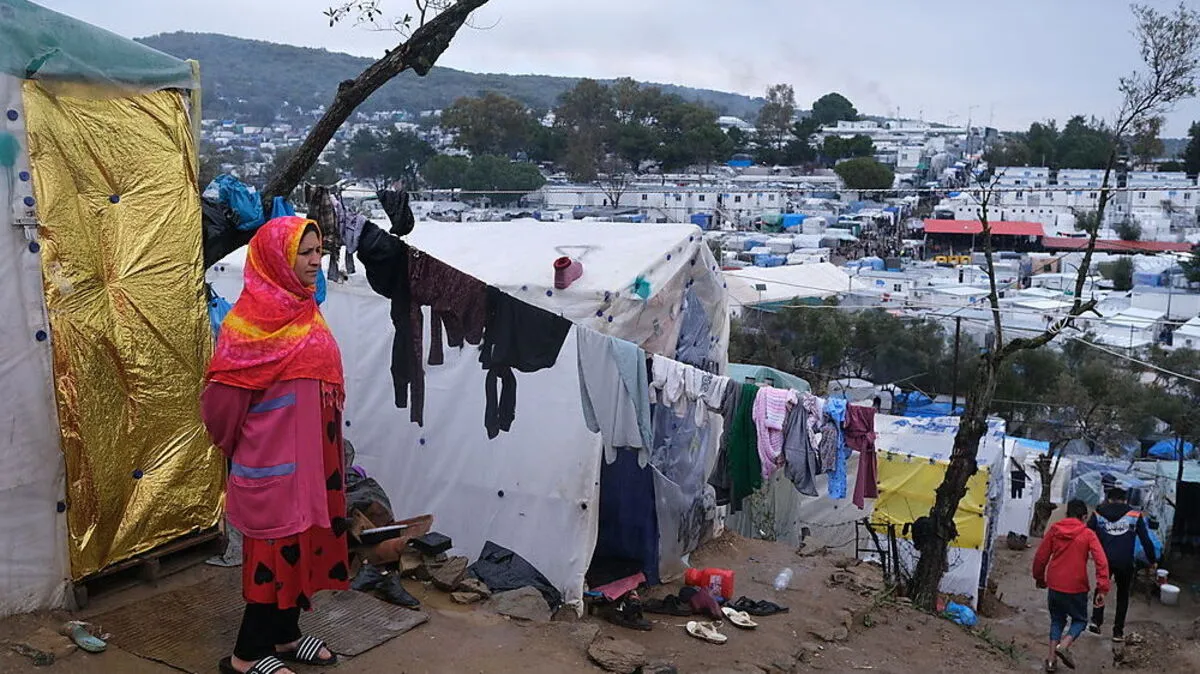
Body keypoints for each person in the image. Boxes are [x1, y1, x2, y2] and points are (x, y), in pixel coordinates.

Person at [202, 216, 349, 674]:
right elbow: (221, 408)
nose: (315, 260)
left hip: (313, 464)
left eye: (318, 250)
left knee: (302, 546)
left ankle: (286, 635)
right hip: (273, 463)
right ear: (276, 259)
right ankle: (245, 656)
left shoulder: (305, 310)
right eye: (304, 252)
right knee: (272, 554)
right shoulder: (246, 327)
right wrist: (250, 449)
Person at [1032, 499, 1110, 672]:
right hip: (1077, 586)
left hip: (1055, 584)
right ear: (1084, 517)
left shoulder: (1055, 530)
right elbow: (1101, 561)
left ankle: (1051, 660)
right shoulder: (1088, 534)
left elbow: (1041, 557)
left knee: (1057, 620)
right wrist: (1102, 588)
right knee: (1080, 620)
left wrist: (1039, 578)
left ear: (1067, 514)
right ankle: (1064, 645)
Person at [1087, 486, 1157, 642]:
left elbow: (1086, 533)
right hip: (1125, 561)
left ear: (1109, 499)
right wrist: (1152, 560)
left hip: (1104, 560)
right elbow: (1146, 540)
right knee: (1123, 595)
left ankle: (1096, 622)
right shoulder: (1134, 515)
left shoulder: (1098, 514)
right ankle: (1117, 632)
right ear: (1125, 500)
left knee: (1101, 588)